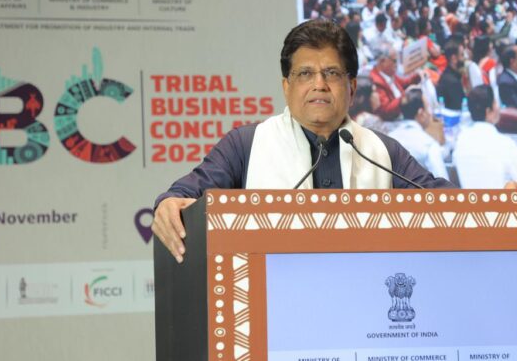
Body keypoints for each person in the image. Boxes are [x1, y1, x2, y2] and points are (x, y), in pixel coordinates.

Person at [153, 20, 455, 261]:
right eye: (305, 74)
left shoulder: (382, 151)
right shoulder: (246, 144)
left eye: (331, 73)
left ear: (351, 87)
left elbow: (448, 203)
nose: (319, 85)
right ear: (286, 86)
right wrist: (168, 204)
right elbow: (183, 194)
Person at [454, 85, 517, 189]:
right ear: (488, 112)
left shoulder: (460, 141)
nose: (498, 107)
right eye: (495, 103)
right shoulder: (502, 143)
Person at [388, 88, 449, 179]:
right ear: (421, 113)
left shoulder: (389, 138)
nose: (430, 114)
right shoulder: (429, 146)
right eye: (428, 108)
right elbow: (442, 183)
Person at [369, 45, 421, 120]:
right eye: (395, 61)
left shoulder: (388, 74)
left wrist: (417, 77)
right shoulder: (375, 81)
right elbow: (385, 110)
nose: (397, 65)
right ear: (382, 61)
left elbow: (404, 84)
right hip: (391, 121)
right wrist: (402, 100)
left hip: (400, 115)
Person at [436, 41, 467, 111]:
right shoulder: (453, 83)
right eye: (462, 55)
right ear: (454, 59)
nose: (464, 58)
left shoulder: (447, 76)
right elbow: (459, 109)